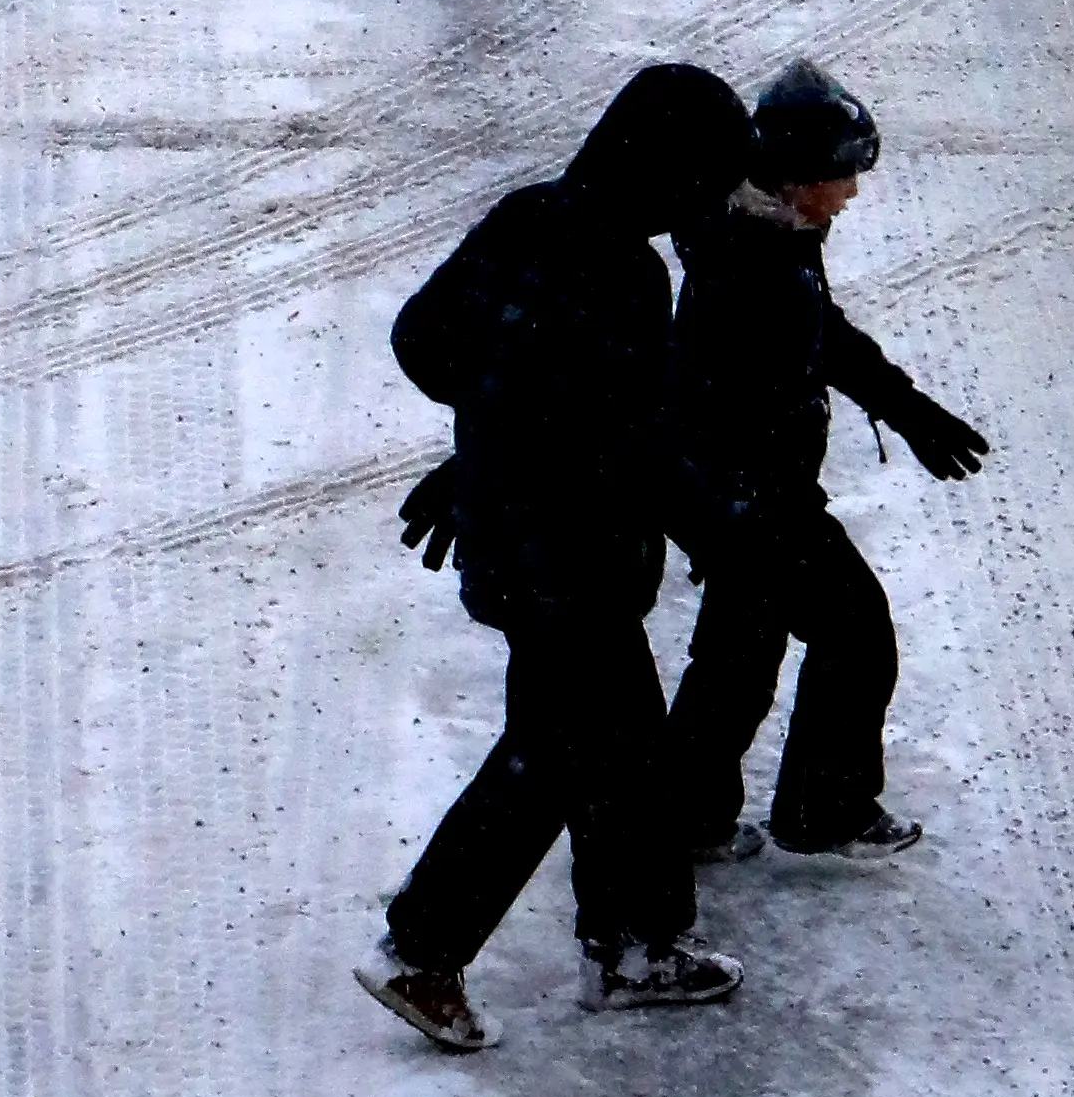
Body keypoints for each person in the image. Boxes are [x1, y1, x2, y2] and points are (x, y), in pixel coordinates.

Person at [362, 58, 756, 1046]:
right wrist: (720, 530)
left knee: (619, 748)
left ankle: (635, 942)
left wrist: (490, 440)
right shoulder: (625, 272)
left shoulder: (528, 215)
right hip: (572, 561)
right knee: (554, 757)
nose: (708, 204)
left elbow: (425, 339)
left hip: (518, 541)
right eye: (705, 181)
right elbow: (632, 438)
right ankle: (425, 950)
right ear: (666, 171)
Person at [663, 58, 989, 866]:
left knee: (741, 652)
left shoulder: (774, 235)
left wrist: (907, 408)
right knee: (854, 632)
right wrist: (753, 509)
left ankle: (684, 813)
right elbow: (750, 381)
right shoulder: (755, 258)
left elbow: (822, 333)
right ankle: (823, 807)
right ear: (799, 176)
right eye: (843, 175)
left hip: (735, 490)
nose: (852, 193)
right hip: (751, 492)